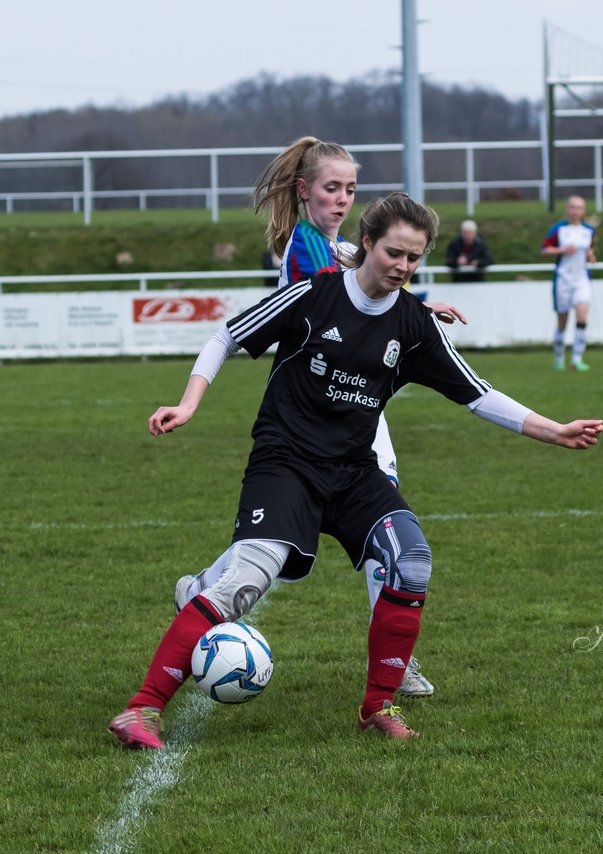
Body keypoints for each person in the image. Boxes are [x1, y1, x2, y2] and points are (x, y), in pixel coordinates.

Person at [109, 193, 603, 748]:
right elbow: (226, 336)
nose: (402, 267)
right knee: (247, 578)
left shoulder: (414, 322)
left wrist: (554, 429)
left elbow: (477, 393)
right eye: (394, 252)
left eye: (414, 259)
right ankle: (143, 709)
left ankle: (378, 706)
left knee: (411, 560)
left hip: (353, 471)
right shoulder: (311, 296)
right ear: (366, 242)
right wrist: (190, 403)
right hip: (286, 463)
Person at [178, 137, 465, 698]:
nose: (342, 199)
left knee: (325, 525)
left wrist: (420, 308)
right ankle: (393, 660)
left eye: (350, 190)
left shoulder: (329, 245)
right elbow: (348, 291)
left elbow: (371, 282)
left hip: (348, 394)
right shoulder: (309, 248)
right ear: (304, 191)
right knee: (376, 519)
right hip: (325, 398)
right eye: (331, 189)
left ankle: (205, 587)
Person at [540, 196, 597, 372]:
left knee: (582, 317)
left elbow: (590, 247)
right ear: (567, 209)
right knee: (562, 322)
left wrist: (590, 255)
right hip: (563, 279)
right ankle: (559, 358)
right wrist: (562, 250)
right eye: (572, 207)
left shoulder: (588, 230)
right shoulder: (559, 229)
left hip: (581, 279)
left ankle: (577, 359)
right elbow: (544, 249)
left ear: (583, 211)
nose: (575, 211)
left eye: (579, 208)